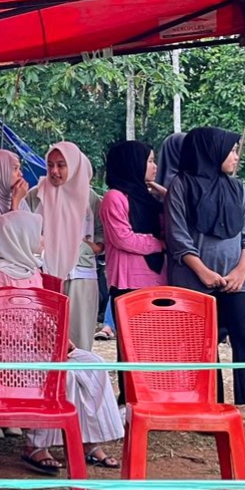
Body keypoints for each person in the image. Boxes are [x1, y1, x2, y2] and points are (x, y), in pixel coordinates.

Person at [166, 127, 245, 444]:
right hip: (194, 283)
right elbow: (177, 237)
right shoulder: (181, 186)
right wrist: (203, 272)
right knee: (201, 348)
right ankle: (209, 408)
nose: (235, 156)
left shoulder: (236, 189)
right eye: (231, 150)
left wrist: (240, 270)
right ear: (210, 152)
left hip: (239, 282)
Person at [0, 211, 124, 473]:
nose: (43, 239)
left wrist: (60, 339)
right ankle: (36, 445)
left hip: (40, 351)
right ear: (20, 237)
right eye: (38, 234)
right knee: (64, 377)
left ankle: (88, 440)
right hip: (10, 358)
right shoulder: (0, 274)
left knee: (94, 364)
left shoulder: (32, 271)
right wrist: (42, 344)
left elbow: (41, 316)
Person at [102, 141, 168, 398]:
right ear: (133, 164)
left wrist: (166, 195)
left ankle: (154, 395)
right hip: (129, 282)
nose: (154, 166)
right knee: (130, 346)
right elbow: (123, 238)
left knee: (156, 344)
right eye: (149, 161)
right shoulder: (115, 197)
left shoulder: (149, 198)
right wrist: (159, 244)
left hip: (158, 279)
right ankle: (129, 398)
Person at [25, 142, 102, 360]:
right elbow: (23, 229)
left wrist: (91, 247)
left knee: (79, 341)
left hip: (81, 277)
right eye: (50, 165)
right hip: (44, 277)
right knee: (45, 340)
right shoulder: (36, 195)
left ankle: (78, 382)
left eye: (61, 165)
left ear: (74, 165)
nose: (54, 171)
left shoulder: (89, 197)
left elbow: (102, 232)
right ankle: (50, 381)